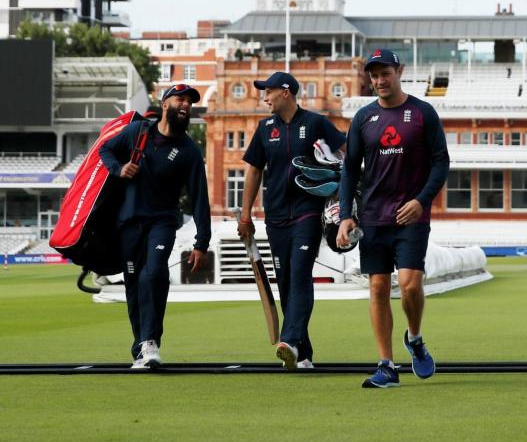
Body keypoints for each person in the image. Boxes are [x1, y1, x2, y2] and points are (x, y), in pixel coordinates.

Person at [337, 49, 450, 388]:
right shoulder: (363, 118)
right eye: (373, 75)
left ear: (399, 71)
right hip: (373, 217)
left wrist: (421, 201)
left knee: (411, 285)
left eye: (385, 73)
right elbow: (349, 170)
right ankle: (386, 365)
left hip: (411, 215)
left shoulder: (422, 112)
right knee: (377, 286)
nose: (379, 81)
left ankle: (414, 339)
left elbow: (441, 163)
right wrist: (346, 216)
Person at [238, 71, 346, 371]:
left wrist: (345, 198)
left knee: (299, 273)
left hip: (308, 212)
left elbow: (347, 155)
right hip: (275, 217)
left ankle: (289, 339)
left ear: (286, 92)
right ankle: (303, 353)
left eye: (268, 92)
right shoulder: (265, 128)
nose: (264, 97)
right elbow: (254, 171)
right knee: (286, 282)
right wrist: (246, 215)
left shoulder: (316, 123)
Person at [98, 84, 211, 369]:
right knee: (134, 285)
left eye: (190, 102)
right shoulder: (138, 132)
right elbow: (106, 149)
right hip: (129, 222)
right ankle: (141, 347)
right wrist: (119, 169)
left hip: (162, 221)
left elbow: (200, 200)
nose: (186, 105)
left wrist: (202, 242)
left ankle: (150, 342)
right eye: (180, 99)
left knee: (155, 273)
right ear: (165, 104)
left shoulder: (190, 151)